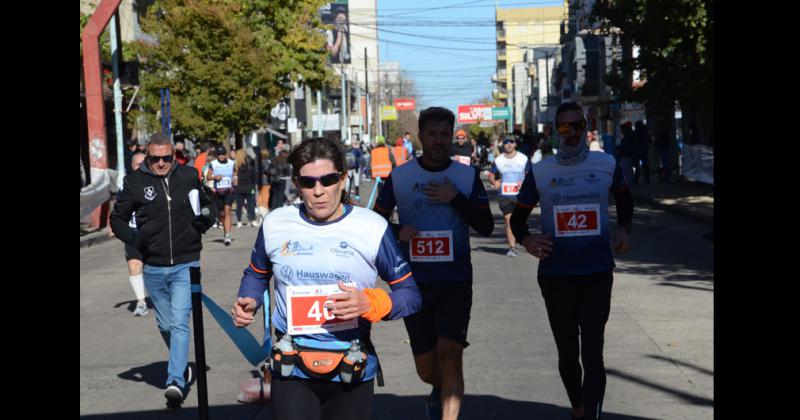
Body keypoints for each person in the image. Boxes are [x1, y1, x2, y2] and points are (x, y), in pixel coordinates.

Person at [232, 137, 421, 420]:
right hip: (291, 366)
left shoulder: (371, 227)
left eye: (328, 180)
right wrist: (248, 299)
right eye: (309, 182)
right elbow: (256, 274)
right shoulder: (276, 223)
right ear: (297, 183)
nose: (318, 191)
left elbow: (411, 294)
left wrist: (371, 303)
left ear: (343, 179)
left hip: (351, 364)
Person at [510, 102, 633, 420]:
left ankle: (590, 414)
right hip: (556, 274)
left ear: (586, 126)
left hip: (596, 272)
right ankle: (578, 406)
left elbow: (624, 196)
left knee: (593, 351)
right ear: (555, 130)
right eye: (565, 127)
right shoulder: (541, 171)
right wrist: (527, 241)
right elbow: (519, 219)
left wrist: (623, 228)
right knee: (568, 351)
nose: (572, 133)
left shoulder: (605, 163)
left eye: (577, 126)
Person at [373, 107, 494, 420]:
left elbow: (485, 225)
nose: (439, 140)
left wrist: (454, 198)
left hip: (455, 279)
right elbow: (373, 223)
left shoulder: (466, 176)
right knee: (427, 368)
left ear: (451, 136)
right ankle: (440, 391)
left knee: (451, 353)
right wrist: (400, 231)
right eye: (433, 134)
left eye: (444, 134)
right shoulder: (400, 176)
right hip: (413, 283)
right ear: (421, 136)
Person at [110, 132, 216, 405]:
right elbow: (117, 218)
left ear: (174, 156)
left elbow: (207, 206)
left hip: (186, 262)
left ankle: (175, 382)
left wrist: (202, 223)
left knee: (180, 323)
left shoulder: (189, 176)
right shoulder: (134, 183)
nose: (160, 164)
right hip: (154, 266)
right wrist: (134, 239)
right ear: (147, 156)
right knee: (166, 324)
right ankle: (181, 365)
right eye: (155, 159)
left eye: (166, 158)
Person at [487, 137, 531, 257]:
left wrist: (524, 183)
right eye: (506, 143)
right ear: (503, 145)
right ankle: (512, 247)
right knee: (509, 221)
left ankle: (526, 242)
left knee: (521, 220)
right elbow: (491, 174)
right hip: (505, 195)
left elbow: (529, 174)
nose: (509, 145)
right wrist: (494, 182)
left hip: (521, 195)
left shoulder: (523, 158)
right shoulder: (499, 160)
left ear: (515, 144)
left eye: (511, 142)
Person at [124, 151, 149, 317]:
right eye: (136, 164)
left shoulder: (156, 181)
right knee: (134, 264)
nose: (139, 167)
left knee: (155, 268)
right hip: (133, 232)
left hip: (154, 232)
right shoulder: (125, 183)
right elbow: (119, 208)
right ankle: (141, 301)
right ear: (132, 166)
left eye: (143, 164)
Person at [207, 144, 236, 245]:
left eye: (223, 154)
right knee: (222, 214)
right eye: (219, 154)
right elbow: (208, 177)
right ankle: (225, 231)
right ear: (217, 155)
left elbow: (235, 173)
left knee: (227, 211)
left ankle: (228, 235)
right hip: (218, 192)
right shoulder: (213, 164)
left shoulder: (232, 163)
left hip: (229, 190)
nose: (221, 156)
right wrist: (215, 177)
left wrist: (235, 178)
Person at [233, 149, 259, 228]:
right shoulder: (250, 165)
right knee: (250, 204)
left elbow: (234, 177)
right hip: (249, 187)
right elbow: (254, 176)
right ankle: (252, 220)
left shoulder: (236, 166)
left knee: (239, 206)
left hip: (239, 188)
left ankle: (239, 221)